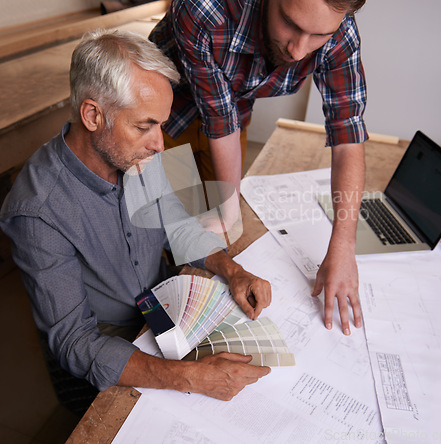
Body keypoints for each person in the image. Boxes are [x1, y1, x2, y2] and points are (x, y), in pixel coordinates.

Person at [0, 29, 271, 415]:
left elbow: (174, 223)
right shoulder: (36, 212)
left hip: (160, 310)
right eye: (145, 126)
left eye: (160, 124)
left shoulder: (133, 153)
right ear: (92, 115)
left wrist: (233, 269)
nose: (160, 144)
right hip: (104, 343)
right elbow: (76, 341)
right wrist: (190, 376)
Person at [149, 0, 379, 336]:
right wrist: (226, 211)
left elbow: (348, 138)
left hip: (232, 114)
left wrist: (343, 245)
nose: (298, 49)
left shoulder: (340, 32)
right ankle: (154, 330)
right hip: (166, 117)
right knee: (168, 235)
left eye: (318, 35)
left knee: (221, 228)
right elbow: (217, 120)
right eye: (290, 22)